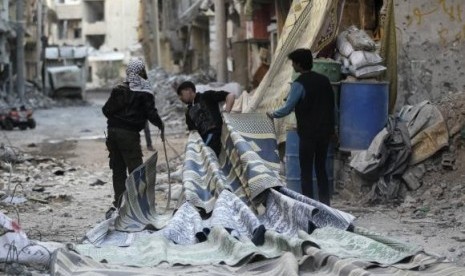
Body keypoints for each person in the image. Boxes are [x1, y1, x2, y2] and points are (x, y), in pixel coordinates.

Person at [266, 48, 335, 206]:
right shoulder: (325, 81)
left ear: (298, 64)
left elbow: (288, 108)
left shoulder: (299, 84)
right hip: (325, 133)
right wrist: (333, 129)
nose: (292, 66)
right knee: (321, 169)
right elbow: (333, 108)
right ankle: (326, 204)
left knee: (306, 171)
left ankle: (308, 205)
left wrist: (272, 114)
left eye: (293, 63)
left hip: (308, 134)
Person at [102, 58, 164, 218]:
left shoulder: (118, 89)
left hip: (113, 134)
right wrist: (160, 125)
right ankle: (139, 206)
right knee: (137, 171)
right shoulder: (145, 90)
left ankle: (120, 205)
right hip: (129, 135)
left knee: (118, 170)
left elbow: (106, 110)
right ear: (142, 72)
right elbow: (151, 113)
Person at [176, 81, 235, 156]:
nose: (180, 98)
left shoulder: (206, 96)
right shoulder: (188, 112)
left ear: (189, 91)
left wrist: (226, 112)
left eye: (181, 94)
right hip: (204, 141)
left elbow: (230, 95)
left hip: (216, 135)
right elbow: (193, 132)